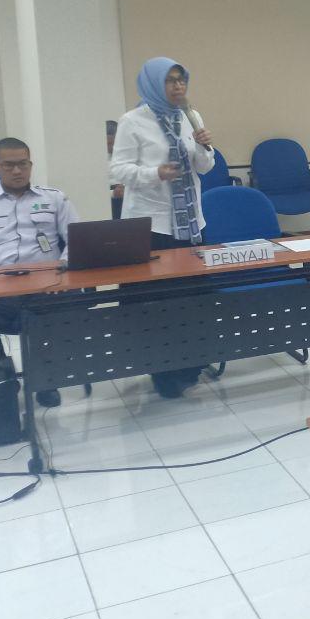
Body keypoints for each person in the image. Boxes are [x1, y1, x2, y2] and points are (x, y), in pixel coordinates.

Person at [109, 57, 215, 398]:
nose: (178, 86)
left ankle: (190, 364)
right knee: (158, 304)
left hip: (190, 224)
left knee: (191, 300)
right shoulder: (132, 121)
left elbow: (204, 167)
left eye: (182, 79)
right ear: (154, 84)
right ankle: (161, 370)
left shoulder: (190, 116)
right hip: (152, 226)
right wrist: (155, 174)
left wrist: (204, 145)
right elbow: (118, 170)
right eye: (170, 80)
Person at [0, 137, 77, 408]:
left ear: (31, 165)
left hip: (47, 284)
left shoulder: (55, 198)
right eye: (9, 165)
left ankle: (46, 379)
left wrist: (64, 263)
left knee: (65, 310)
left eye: (23, 164)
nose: (17, 171)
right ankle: (0, 376)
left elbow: (77, 240)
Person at [106, 119, 124, 219]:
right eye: (108, 143)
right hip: (109, 203)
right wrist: (113, 193)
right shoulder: (97, 160)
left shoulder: (127, 155)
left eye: (114, 143)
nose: (112, 147)